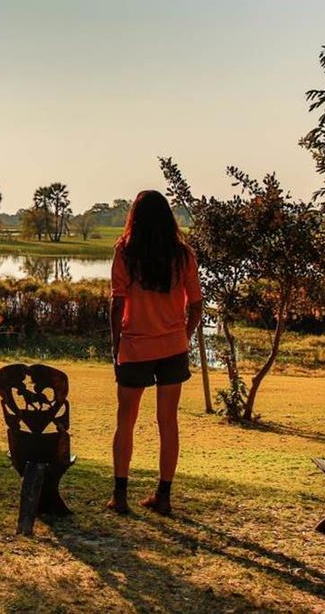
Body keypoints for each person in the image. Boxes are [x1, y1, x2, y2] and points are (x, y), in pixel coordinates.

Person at [108, 189, 202, 516]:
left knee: (126, 422)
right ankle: (163, 496)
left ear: (135, 216)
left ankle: (120, 495)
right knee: (168, 422)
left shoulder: (126, 252)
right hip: (172, 348)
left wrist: (115, 342)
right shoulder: (183, 254)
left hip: (135, 345)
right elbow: (197, 304)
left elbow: (117, 301)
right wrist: (184, 336)